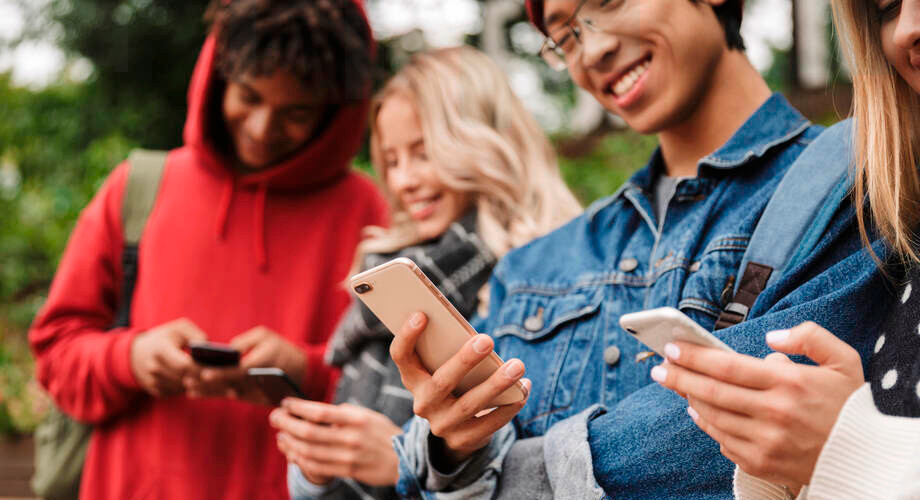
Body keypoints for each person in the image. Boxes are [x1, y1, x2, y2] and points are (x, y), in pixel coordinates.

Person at [386, 0, 891, 498]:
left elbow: (754, 431)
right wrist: (449, 450)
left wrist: (503, 480)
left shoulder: (859, 184)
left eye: (610, 2)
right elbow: (432, 466)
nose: (594, 48)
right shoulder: (532, 265)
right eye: (565, 36)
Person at [28, 1, 387, 498]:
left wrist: (304, 369)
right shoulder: (138, 188)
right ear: (218, 77)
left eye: (297, 112)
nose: (262, 128)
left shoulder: (366, 212)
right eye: (248, 96)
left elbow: (392, 391)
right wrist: (129, 359)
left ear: (336, 110)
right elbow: (55, 353)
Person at [268, 46, 583, 500]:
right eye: (392, 161)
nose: (403, 181)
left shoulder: (538, 275)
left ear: (482, 141)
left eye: (423, 153)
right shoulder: (389, 268)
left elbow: (543, 464)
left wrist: (406, 462)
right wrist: (314, 466)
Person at [654, 0, 920, 498]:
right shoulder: (905, 210)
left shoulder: (843, 182)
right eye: (885, 6)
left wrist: (854, 447)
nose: (907, 28)